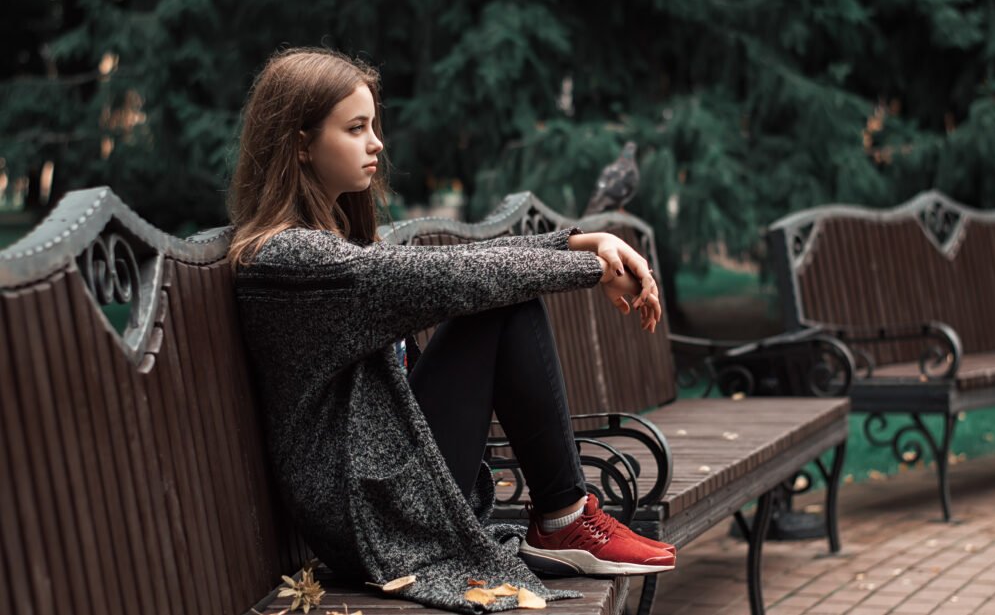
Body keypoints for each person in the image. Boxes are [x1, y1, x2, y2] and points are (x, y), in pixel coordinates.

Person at [227, 47, 674, 614]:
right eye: (356, 128)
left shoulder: (323, 246)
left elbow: (464, 268)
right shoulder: (293, 260)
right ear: (299, 143)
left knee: (501, 298)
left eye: (374, 126)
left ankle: (564, 515)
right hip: (369, 515)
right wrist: (589, 264)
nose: (376, 144)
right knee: (498, 303)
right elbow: (453, 275)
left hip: (379, 484)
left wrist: (582, 242)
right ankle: (563, 516)